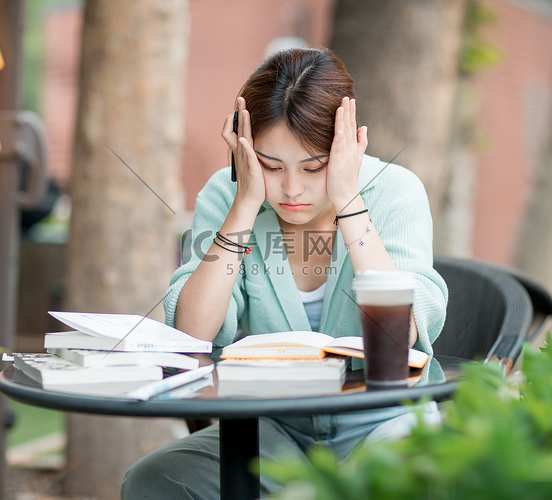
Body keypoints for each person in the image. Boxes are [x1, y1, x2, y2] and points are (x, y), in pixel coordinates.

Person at [121, 47, 448, 499]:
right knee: (153, 481)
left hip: (384, 421)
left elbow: (398, 334)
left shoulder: (396, 190)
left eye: (313, 167)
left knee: (418, 477)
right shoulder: (230, 195)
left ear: (348, 146)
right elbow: (193, 330)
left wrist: (348, 200)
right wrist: (244, 204)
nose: (292, 189)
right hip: (272, 432)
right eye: (271, 166)